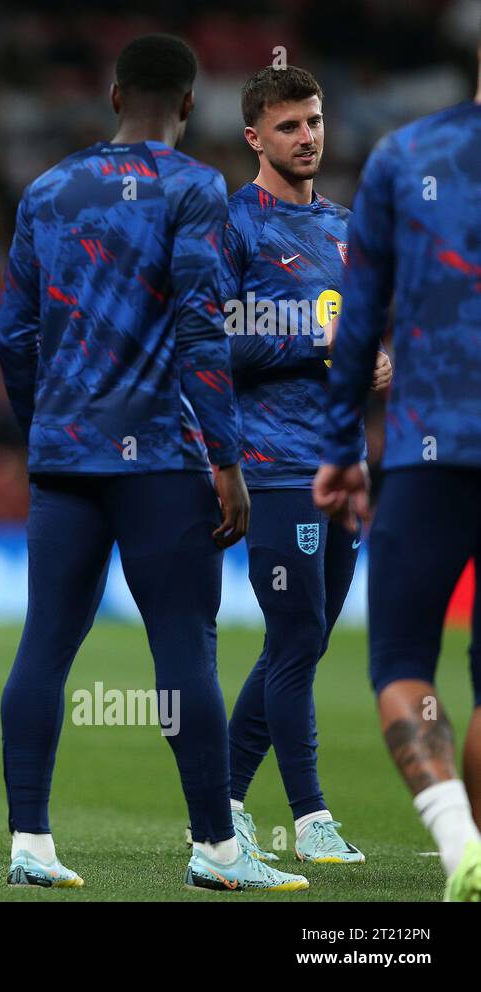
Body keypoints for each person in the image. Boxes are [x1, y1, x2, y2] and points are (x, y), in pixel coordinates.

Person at [0, 34, 307, 892]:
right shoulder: (195, 188)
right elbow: (204, 328)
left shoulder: (48, 190)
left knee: (44, 647)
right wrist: (228, 459)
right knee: (183, 652)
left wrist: (48, 424)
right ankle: (215, 848)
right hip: (163, 461)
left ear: (112, 97)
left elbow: (14, 335)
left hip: (67, 458)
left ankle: (29, 842)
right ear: (190, 105)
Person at [314, 39, 481, 903]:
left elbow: (357, 325)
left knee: (403, 663)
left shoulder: (404, 156)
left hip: (430, 451)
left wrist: (343, 447)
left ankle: (461, 844)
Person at [220, 65, 390, 867]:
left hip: (341, 467)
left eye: (314, 120)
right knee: (294, 641)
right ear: (256, 137)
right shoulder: (232, 228)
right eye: (289, 126)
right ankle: (311, 817)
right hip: (273, 468)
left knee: (308, 640)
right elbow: (213, 346)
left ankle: (220, 802)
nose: (308, 136)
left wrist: (375, 360)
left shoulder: (347, 228)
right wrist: (315, 343)